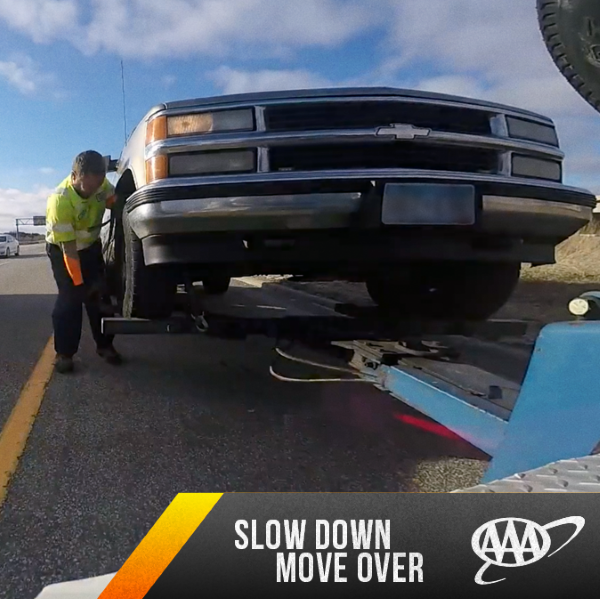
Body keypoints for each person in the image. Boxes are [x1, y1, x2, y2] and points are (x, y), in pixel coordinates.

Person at [46, 150, 123, 374]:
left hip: (91, 247)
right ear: (75, 176)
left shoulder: (101, 185)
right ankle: (65, 353)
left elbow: (112, 201)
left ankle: (105, 345)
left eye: (97, 185)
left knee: (100, 296)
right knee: (70, 300)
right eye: (87, 187)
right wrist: (79, 284)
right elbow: (69, 250)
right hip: (63, 251)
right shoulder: (60, 201)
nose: (92, 192)